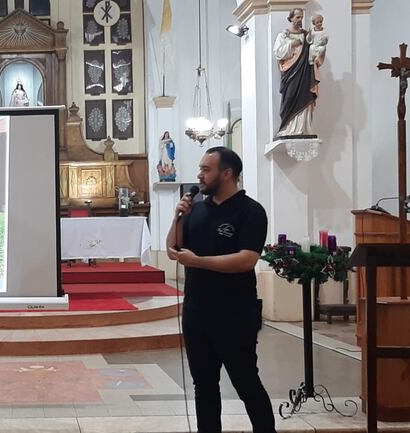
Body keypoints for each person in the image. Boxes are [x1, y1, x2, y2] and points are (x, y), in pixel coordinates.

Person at [166, 147, 276, 433]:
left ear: (227, 173)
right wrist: (177, 216)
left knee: (246, 382)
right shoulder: (197, 208)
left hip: (234, 312)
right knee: (204, 386)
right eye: (200, 169)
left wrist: (199, 262)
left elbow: (247, 259)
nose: (200, 175)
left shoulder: (250, 211)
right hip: (196, 312)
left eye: (206, 169)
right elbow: (173, 249)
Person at [273, 8, 318, 138]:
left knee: (305, 96)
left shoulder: (306, 35)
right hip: (291, 72)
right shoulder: (283, 35)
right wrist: (291, 44)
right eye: (297, 17)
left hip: (305, 73)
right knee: (290, 96)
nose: (300, 20)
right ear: (291, 18)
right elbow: (278, 52)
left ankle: (304, 128)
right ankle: (287, 127)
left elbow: (313, 51)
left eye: (301, 17)